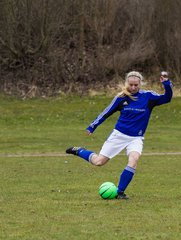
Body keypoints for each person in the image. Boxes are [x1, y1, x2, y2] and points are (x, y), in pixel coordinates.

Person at [66, 71, 173, 199]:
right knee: (99, 162)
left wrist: (166, 84)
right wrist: (92, 126)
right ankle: (80, 151)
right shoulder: (121, 98)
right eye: (131, 85)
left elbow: (167, 98)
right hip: (119, 135)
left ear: (140, 84)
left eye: (136, 85)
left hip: (136, 138)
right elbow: (106, 113)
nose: (133, 88)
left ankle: (120, 192)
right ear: (126, 83)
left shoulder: (148, 97)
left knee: (133, 160)